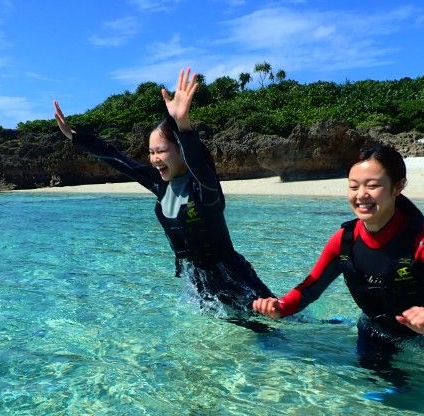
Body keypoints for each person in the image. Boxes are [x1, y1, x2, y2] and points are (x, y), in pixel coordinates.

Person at [54, 68, 273, 321]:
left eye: (160, 151)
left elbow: (198, 163)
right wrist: (75, 137)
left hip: (236, 280)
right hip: (200, 284)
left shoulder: (205, 188)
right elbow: (118, 158)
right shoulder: (160, 186)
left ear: (180, 150)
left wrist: (182, 125)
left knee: (281, 330)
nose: (154, 159)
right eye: (150, 152)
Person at [252, 144, 424, 347]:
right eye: (353, 186)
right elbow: (309, 290)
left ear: (398, 187)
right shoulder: (344, 240)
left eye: (372, 186)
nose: (361, 195)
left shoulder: (423, 243)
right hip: (375, 334)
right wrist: (279, 307)